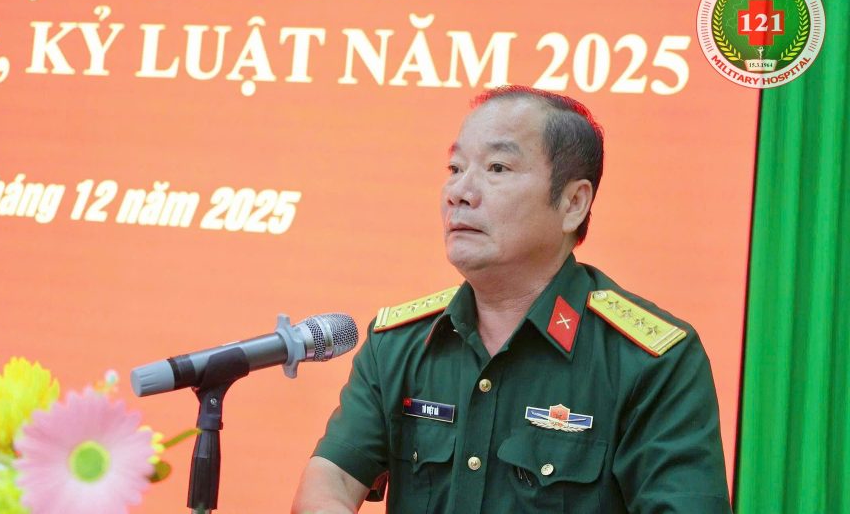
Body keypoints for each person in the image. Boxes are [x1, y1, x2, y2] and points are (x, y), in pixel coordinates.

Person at [291, 86, 732, 513]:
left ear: (573, 203)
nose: (459, 192)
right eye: (455, 168)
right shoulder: (398, 344)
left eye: (497, 168)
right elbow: (330, 482)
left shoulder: (650, 361)